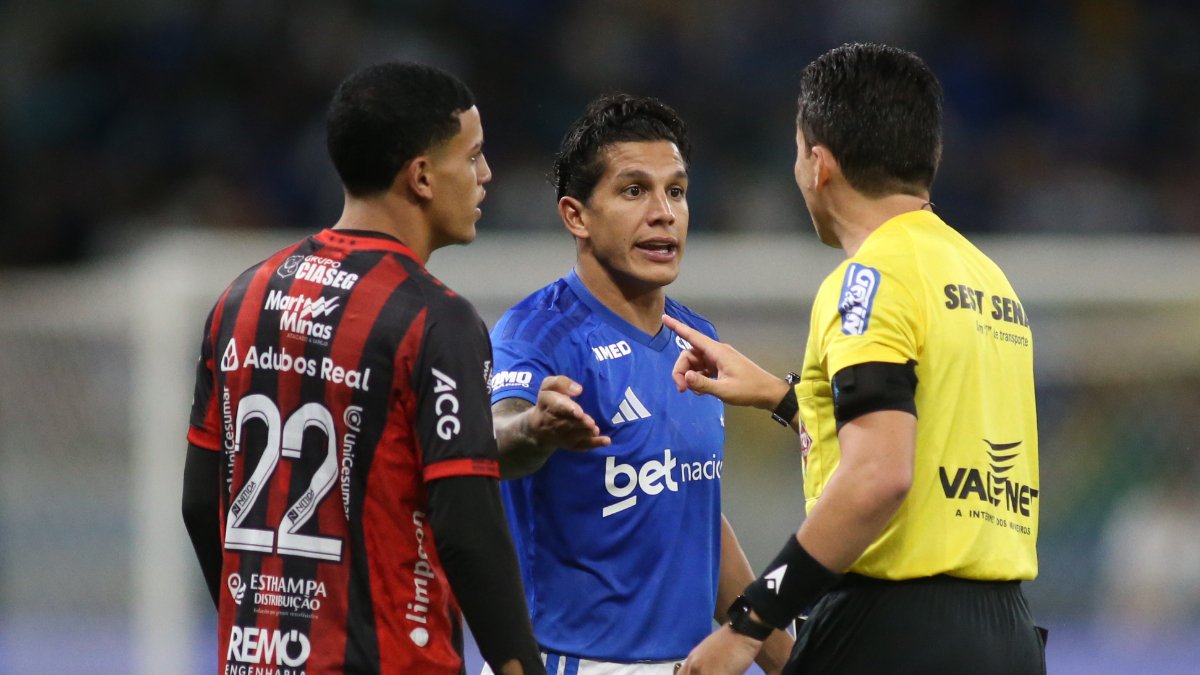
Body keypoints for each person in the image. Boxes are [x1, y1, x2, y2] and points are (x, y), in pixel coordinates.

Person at [667, 43, 1045, 674]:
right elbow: (924, 447)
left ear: (819, 164)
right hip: (1004, 633)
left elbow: (879, 476)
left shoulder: (868, 280)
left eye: (796, 150)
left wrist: (748, 622)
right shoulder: (986, 278)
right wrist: (786, 400)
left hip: (896, 630)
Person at [181, 61, 545, 675]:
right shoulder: (436, 320)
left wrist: (262, 630)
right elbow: (467, 527)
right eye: (474, 156)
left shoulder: (241, 299)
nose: (485, 176)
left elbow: (200, 501)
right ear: (422, 176)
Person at [485, 93, 792, 674]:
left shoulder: (698, 339)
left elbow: (696, 515)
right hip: (568, 662)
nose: (664, 212)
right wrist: (535, 426)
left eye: (675, 191)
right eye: (634, 191)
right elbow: (495, 438)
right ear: (576, 215)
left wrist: (786, 660)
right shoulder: (539, 332)